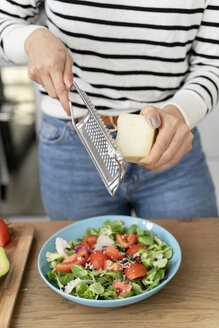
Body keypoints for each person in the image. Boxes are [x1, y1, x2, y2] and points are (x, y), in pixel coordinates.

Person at [0, 0, 218, 220]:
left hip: (168, 141)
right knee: (79, 253)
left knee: (197, 251)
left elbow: (212, 64)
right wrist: (31, 39)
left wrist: (180, 113)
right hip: (72, 147)